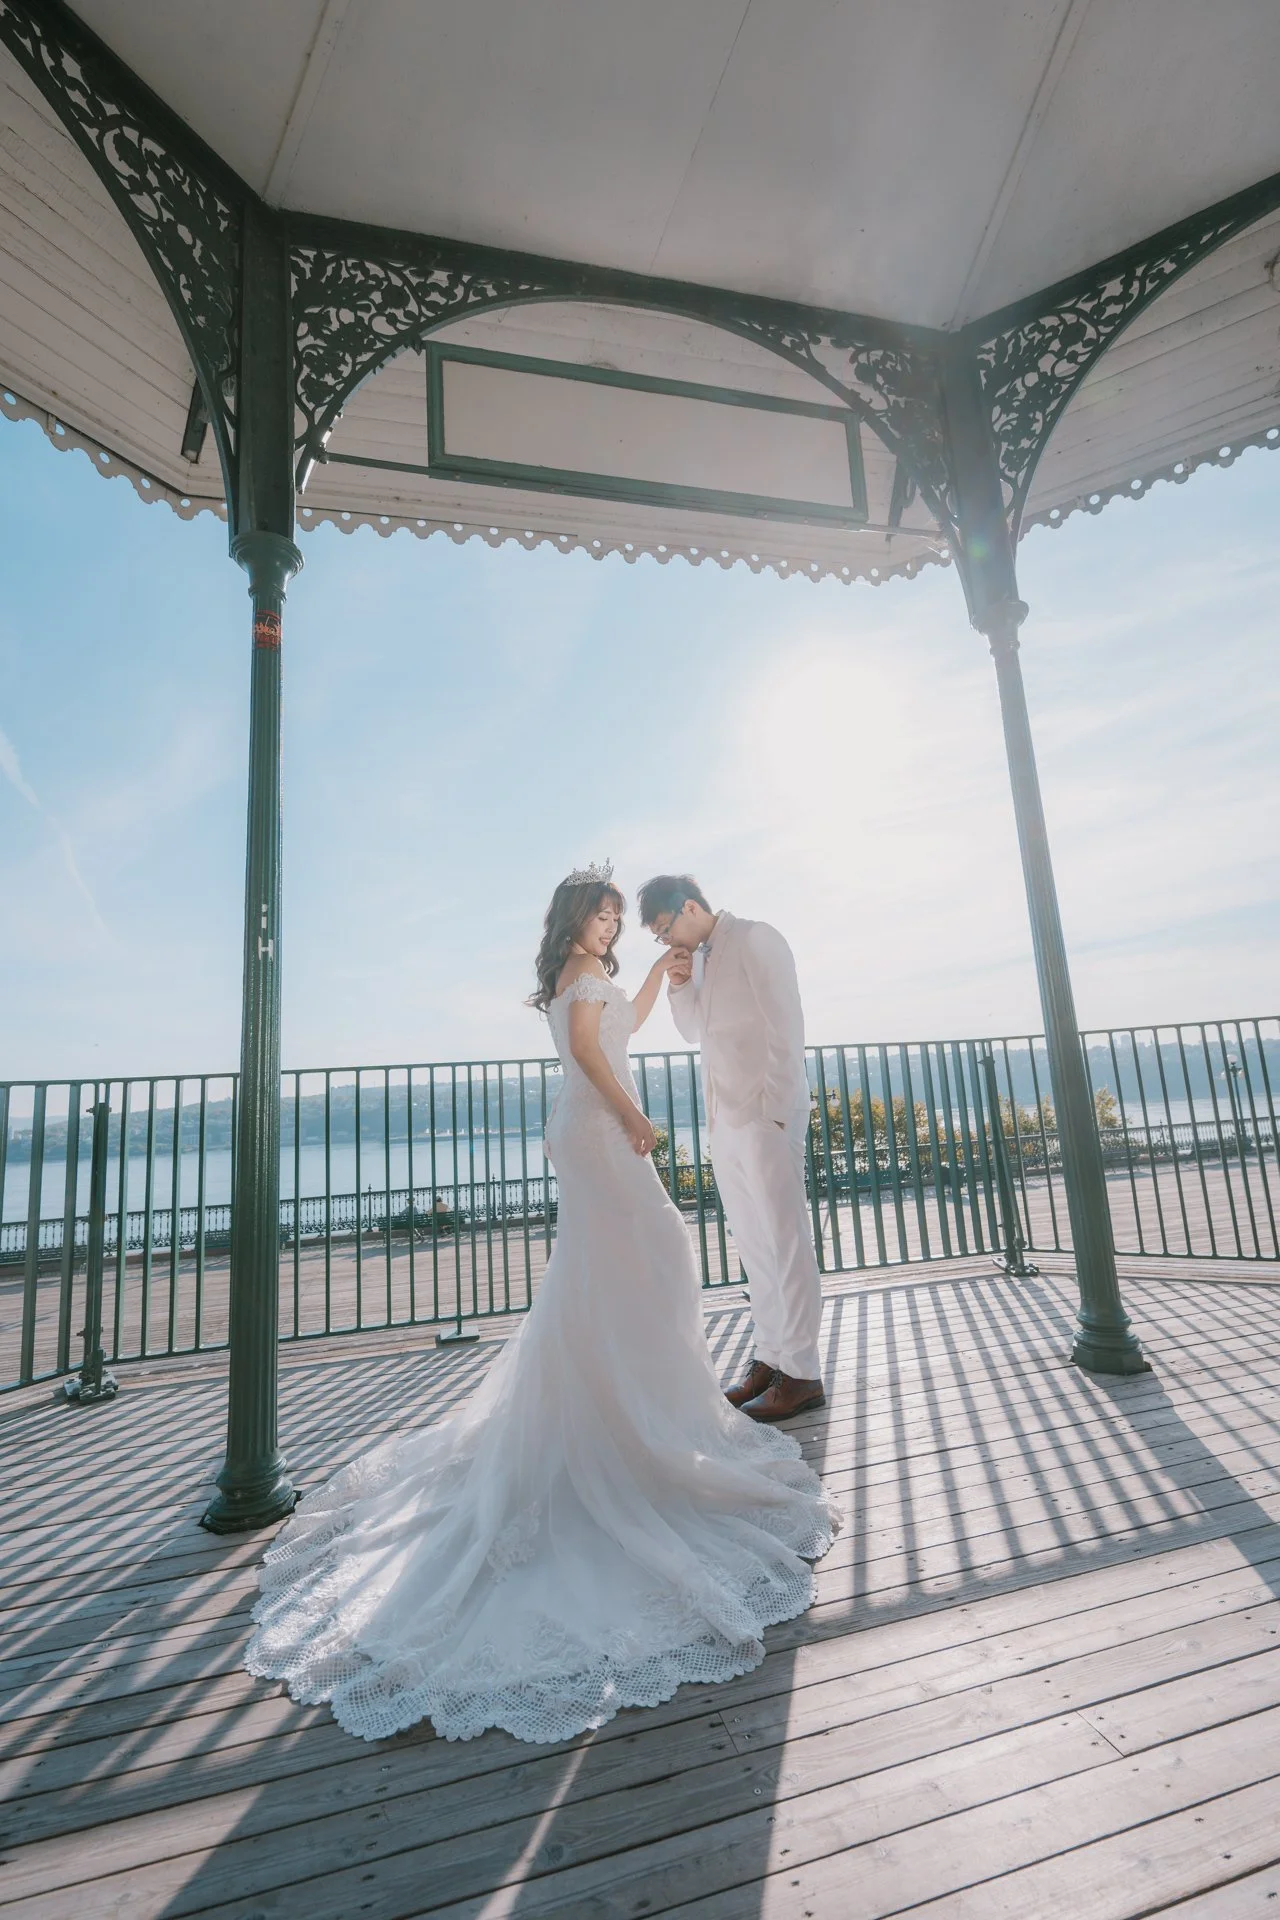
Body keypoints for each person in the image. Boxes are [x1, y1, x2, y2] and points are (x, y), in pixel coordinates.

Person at [244, 864, 837, 1745]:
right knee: (654, 1255)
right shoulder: (573, 976)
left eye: (616, 917)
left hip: (589, 1130)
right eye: (601, 915)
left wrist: (650, 982)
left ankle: (643, 1400)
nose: (611, 926)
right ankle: (639, 1418)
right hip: (599, 1130)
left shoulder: (595, 974)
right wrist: (637, 1116)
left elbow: (625, 1021)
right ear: (573, 923)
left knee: (606, 1273)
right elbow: (596, 1052)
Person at [638, 875, 825, 1422]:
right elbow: (694, 1030)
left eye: (665, 928)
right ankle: (771, 1357)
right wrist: (677, 984)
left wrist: (774, 1111)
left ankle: (803, 1372)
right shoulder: (697, 959)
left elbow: (786, 1028)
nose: (666, 940)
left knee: (786, 1241)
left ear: (690, 907)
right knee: (753, 1244)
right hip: (726, 1121)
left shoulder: (758, 937)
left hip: (766, 1115)